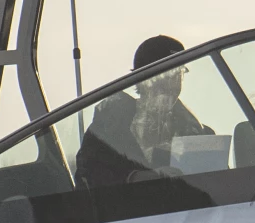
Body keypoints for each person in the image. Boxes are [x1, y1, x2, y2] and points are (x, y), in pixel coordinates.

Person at [77, 35, 208, 184]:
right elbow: (86, 178)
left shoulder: (198, 133)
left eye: (178, 74)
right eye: (163, 75)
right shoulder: (108, 126)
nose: (171, 84)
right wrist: (136, 177)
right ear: (140, 80)